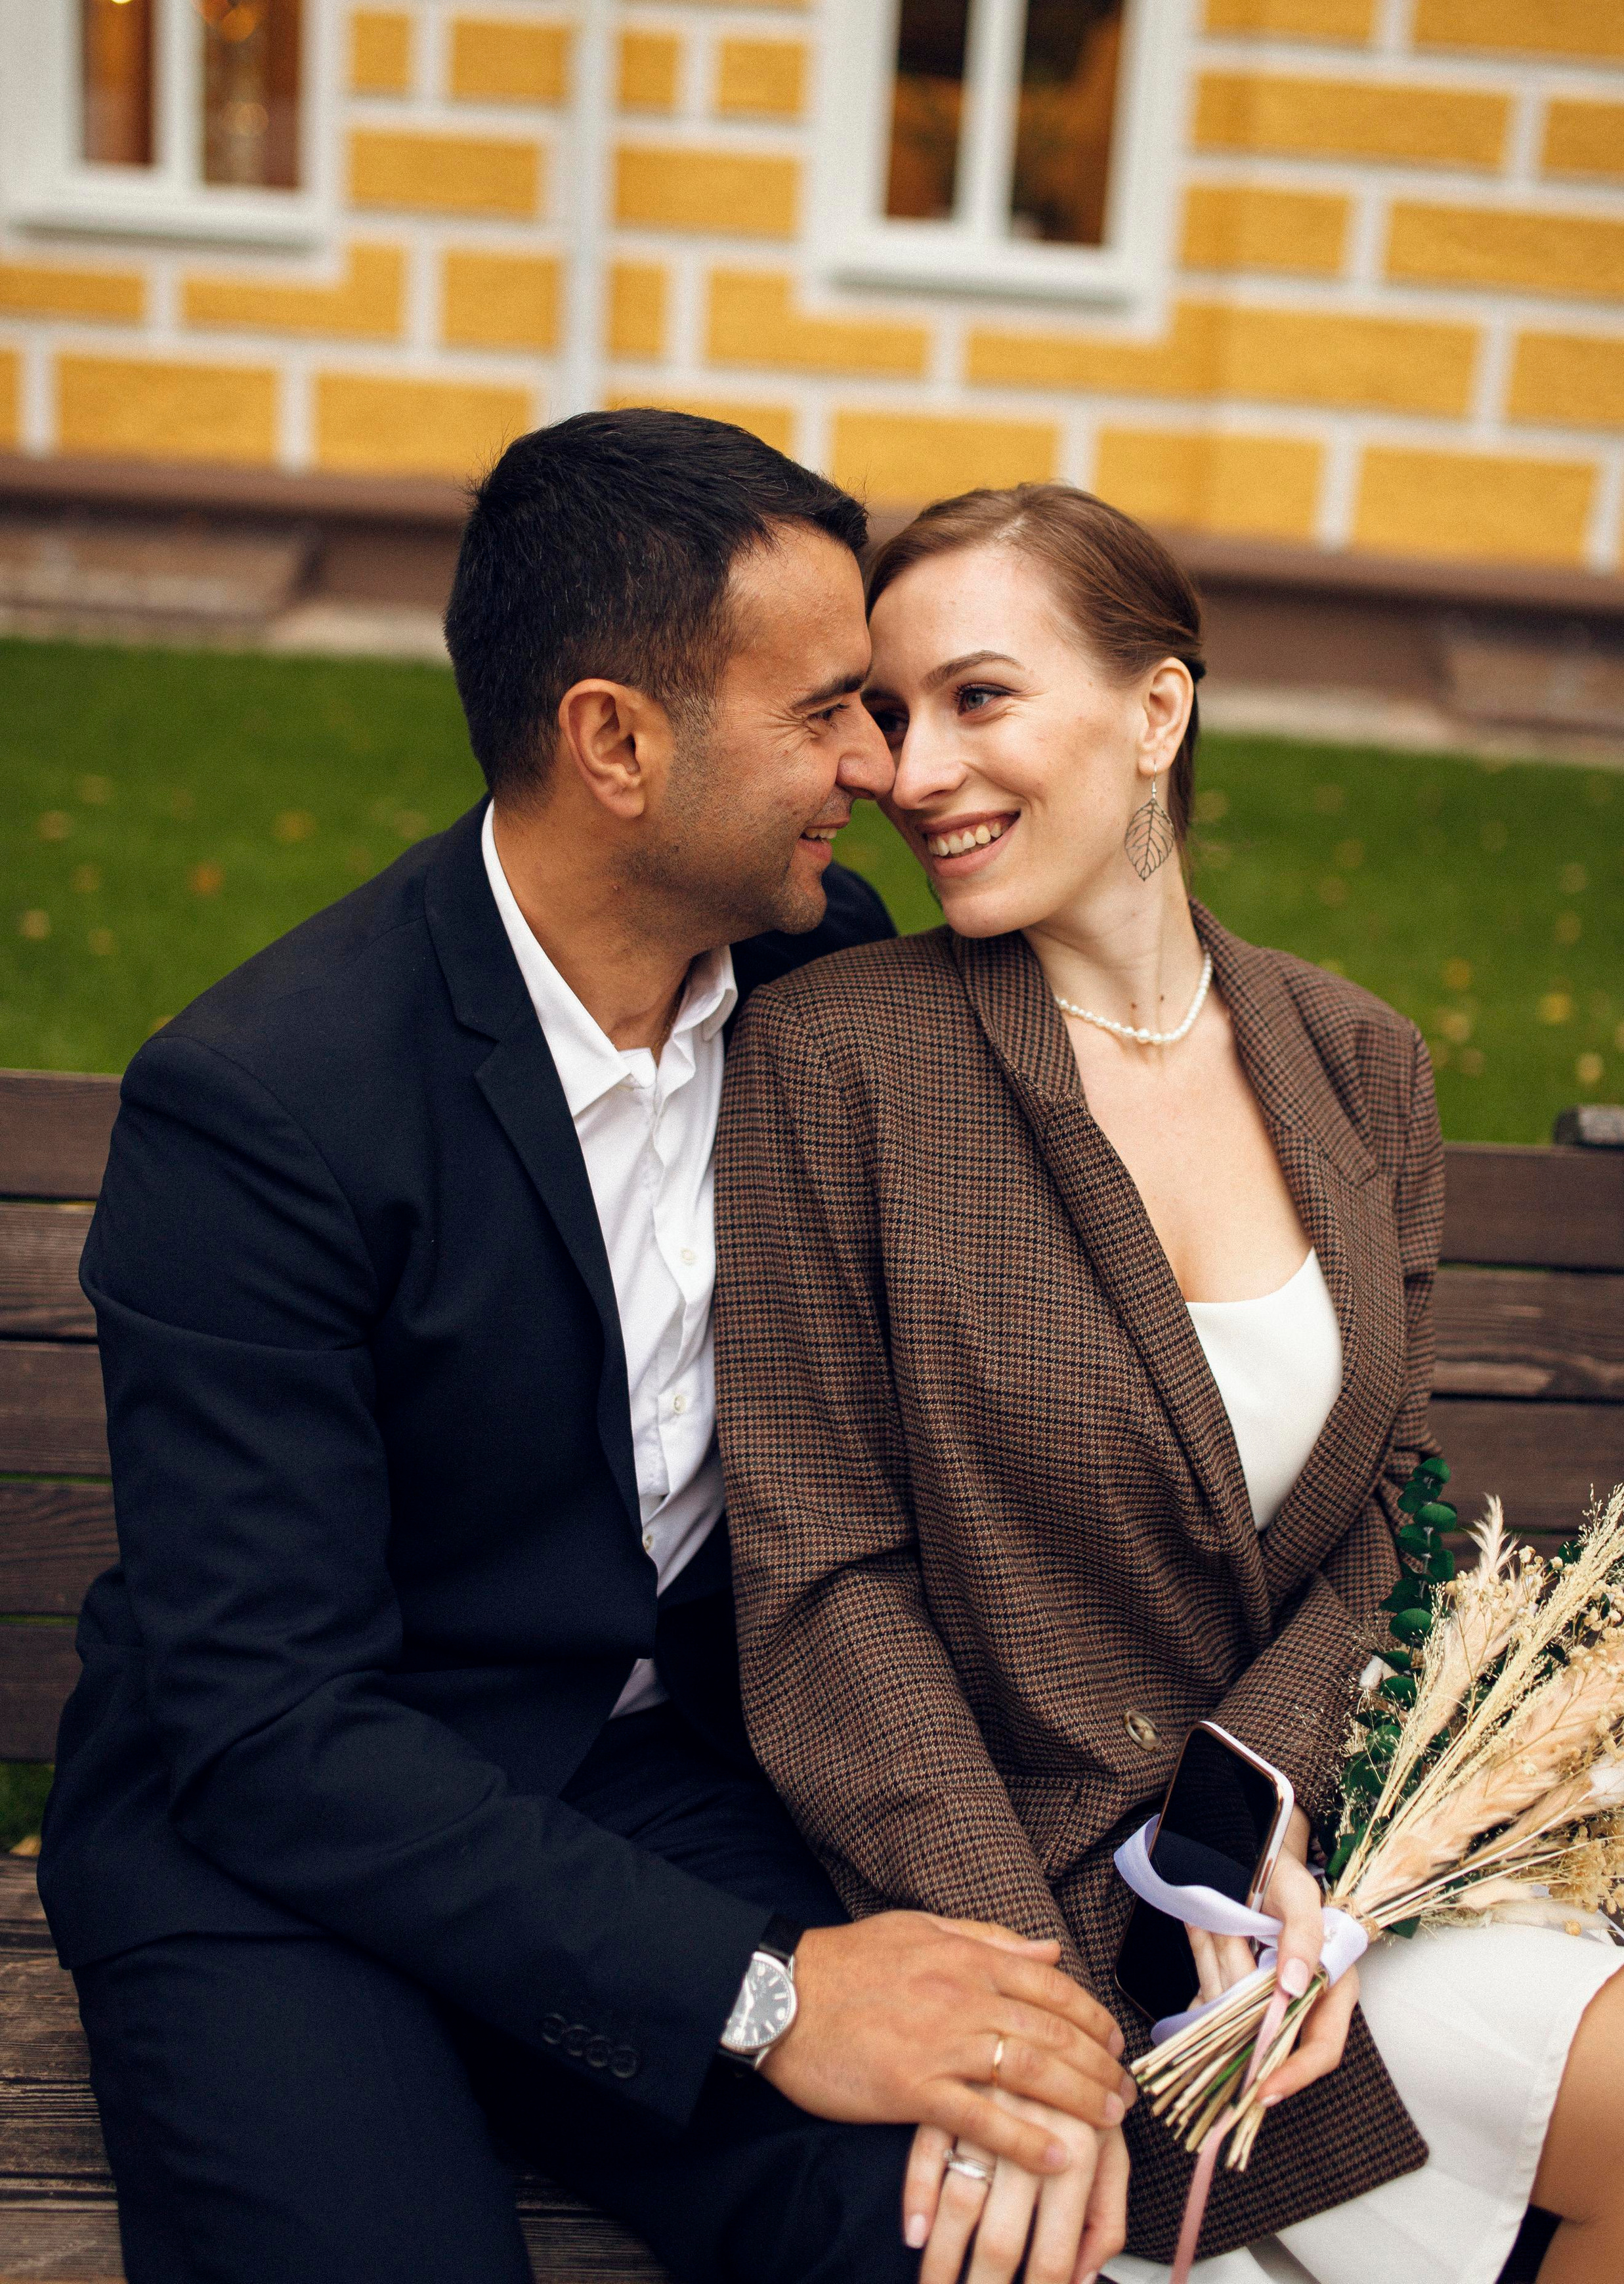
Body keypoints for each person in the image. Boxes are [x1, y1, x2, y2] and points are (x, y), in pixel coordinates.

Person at [39, 418, 1130, 2284]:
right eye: (825, 716)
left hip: (649, 1787)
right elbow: (272, 1725)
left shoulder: (812, 977)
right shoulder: (268, 1104)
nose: (877, 769)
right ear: (615, 742)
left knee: (967, 2220)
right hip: (284, 1850)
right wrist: (770, 1996)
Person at [714, 482, 1624, 2284]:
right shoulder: (833, 1060)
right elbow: (822, 1585)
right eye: (893, 715)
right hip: (1005, 1903)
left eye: (980, 700)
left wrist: (1273, 1839)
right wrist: (1041, 2015)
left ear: (1157, 712)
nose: (916, 772)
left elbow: (1381, 1511)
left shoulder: (1357, 1061)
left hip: (1309, 1897)